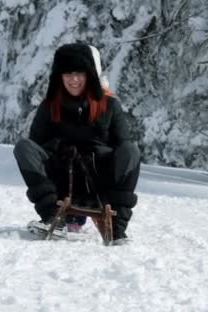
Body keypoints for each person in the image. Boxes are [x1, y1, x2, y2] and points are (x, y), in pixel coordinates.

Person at [13, 43, 140, 245]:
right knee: (23, 147)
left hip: (99, 180)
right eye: (68, 74)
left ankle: (117, 229)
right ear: (59, 77)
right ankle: (52, 217)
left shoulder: (110, 105)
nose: (74, 80)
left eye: (79, 73)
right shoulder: (49, 106)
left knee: (131, 151)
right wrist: (58, 146)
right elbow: (35, 147)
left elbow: (124, 147)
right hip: (61, 179)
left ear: (89, 75)